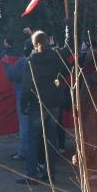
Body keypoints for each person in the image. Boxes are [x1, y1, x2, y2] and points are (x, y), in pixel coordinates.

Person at [17, 31, 68, 184]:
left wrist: (23, 104)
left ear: (34, 44)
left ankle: (32, 174)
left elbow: (27, 86)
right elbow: (69, 45)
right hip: (53, 103)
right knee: (50, 140)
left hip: (37, 103)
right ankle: (49, 174)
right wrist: (67, 26)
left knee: (33, 139)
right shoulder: (56, 57)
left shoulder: (31, 61)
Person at [8, 41, 32, 161]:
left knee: (24, 124)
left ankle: (23, 151)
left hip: (23, 96)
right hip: (37, 97)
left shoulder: (22, 62)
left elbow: (12, 75)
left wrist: (7, 66)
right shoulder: (39, 60)